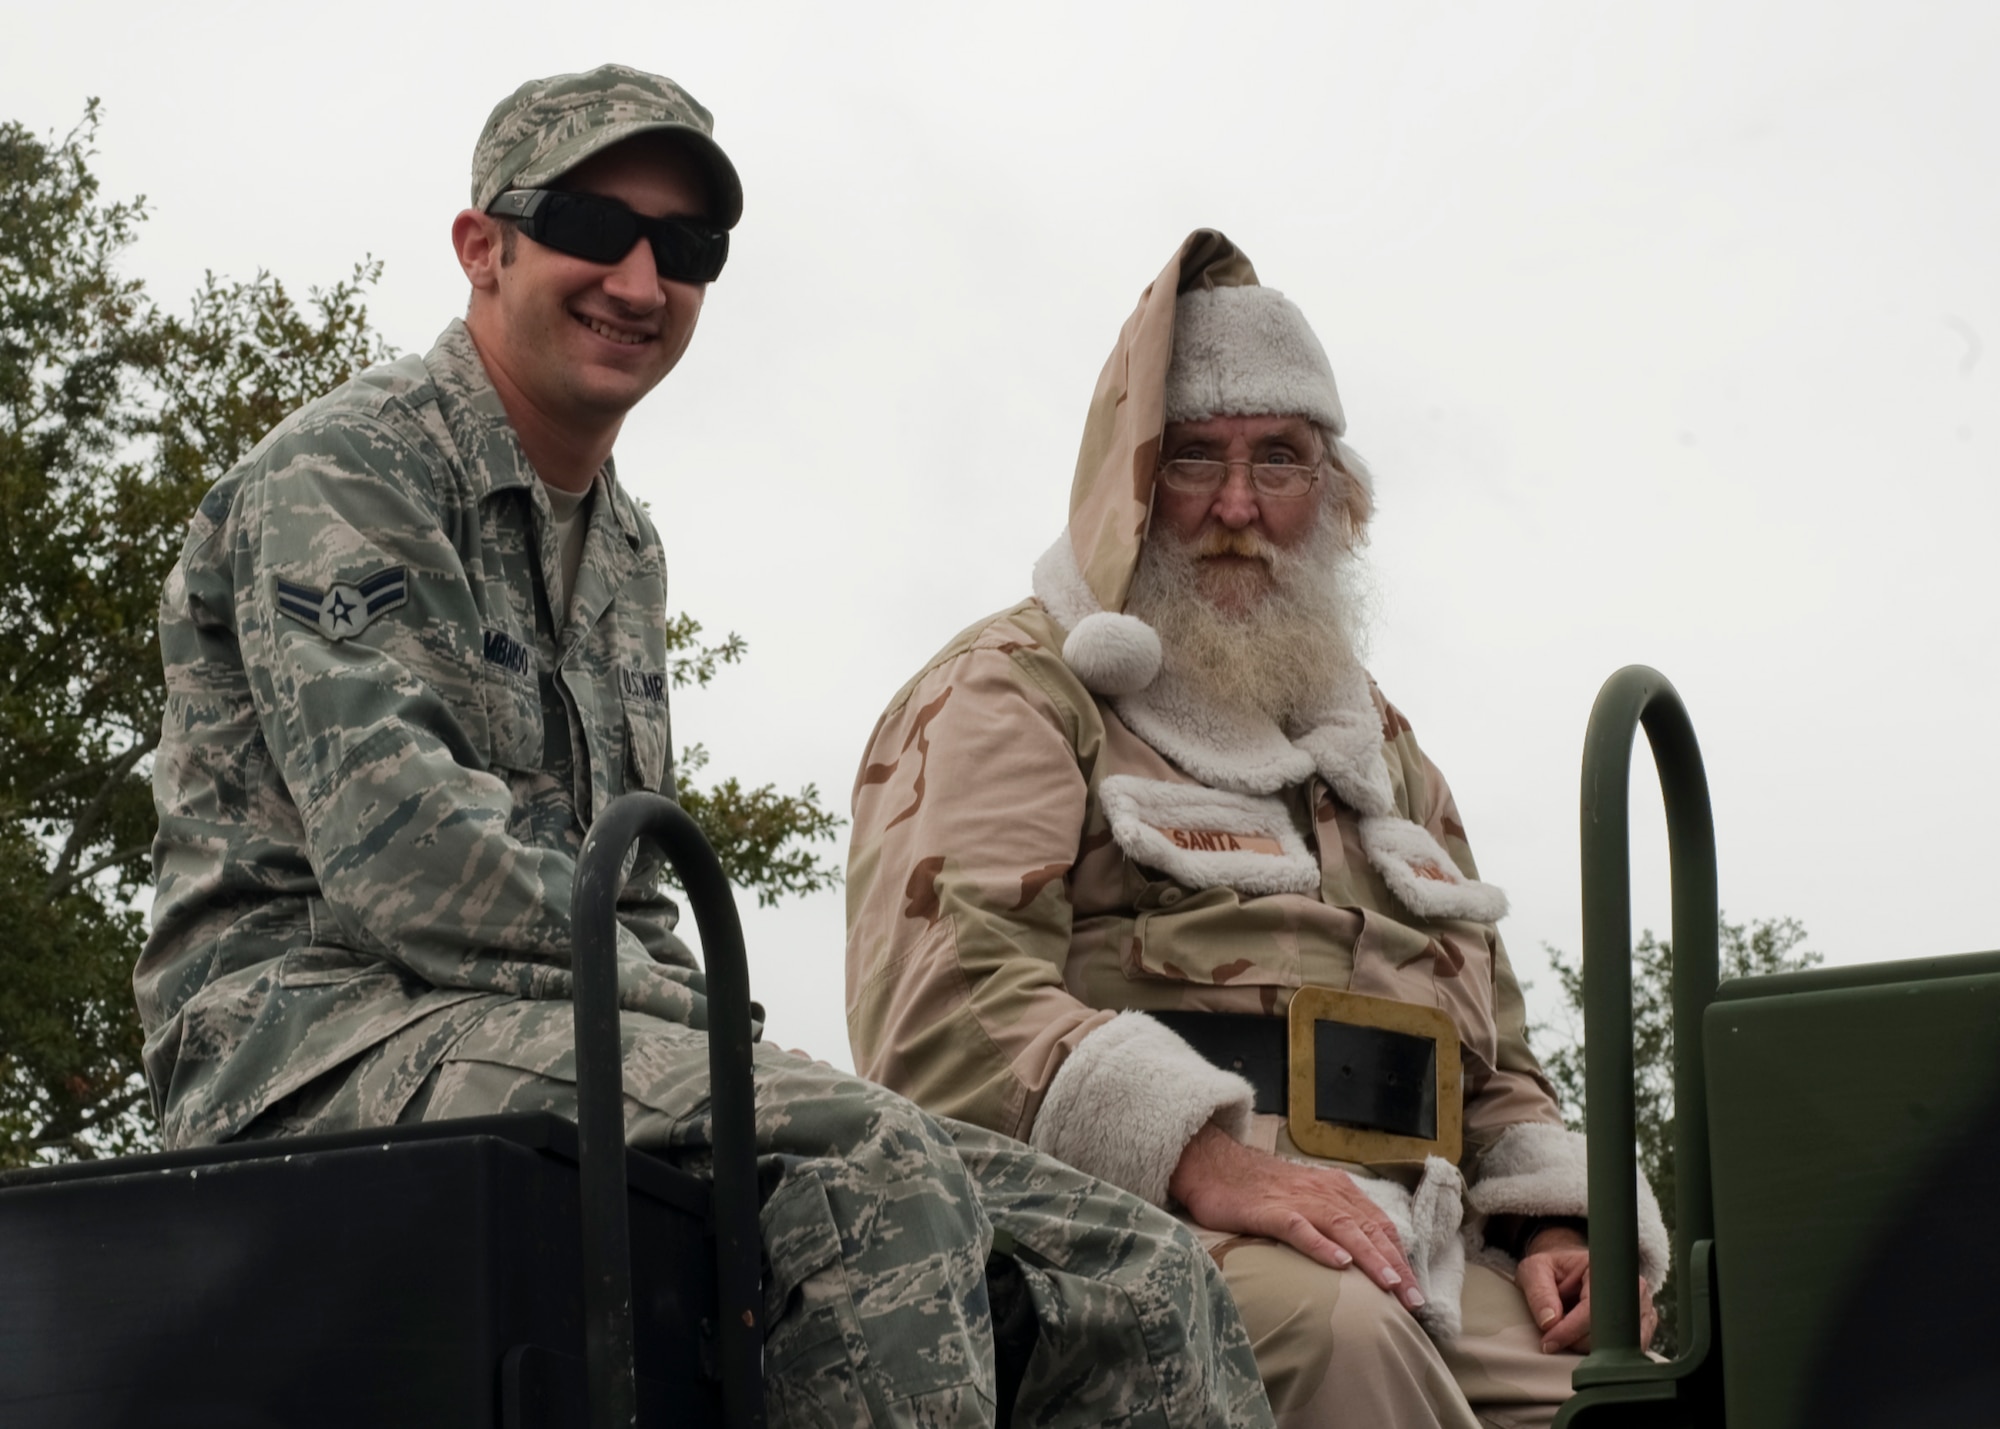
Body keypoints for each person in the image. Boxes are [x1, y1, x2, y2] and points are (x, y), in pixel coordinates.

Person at [137, 70, 1272, 1429]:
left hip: (543, 1025)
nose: (638, 276)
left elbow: (632, 892)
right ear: (481, 246)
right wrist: (712, 1027)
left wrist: (699, 1017)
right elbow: (407, 858)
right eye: (590, 224)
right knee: (868, 1162)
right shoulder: (349, 476)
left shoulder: (622, 544)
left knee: (1128, 1258)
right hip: (304, 1043)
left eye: (684, 249)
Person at [845, 230, 1667, 1428]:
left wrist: (1552, 1219)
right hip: (1114, 1228)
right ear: (1129, 487)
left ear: (1336, 497)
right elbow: (940, 1008)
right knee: (1345, 1338)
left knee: (1623, 1377)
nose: (1236, 506)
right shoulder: (1014, 687)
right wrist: (1208, 1157)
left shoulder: (1380, 752)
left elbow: (1494, 1063)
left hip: (1413, 1236)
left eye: (1277, 460)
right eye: (1194, 460)